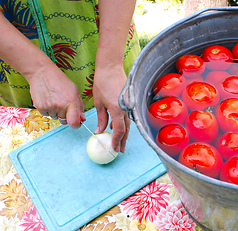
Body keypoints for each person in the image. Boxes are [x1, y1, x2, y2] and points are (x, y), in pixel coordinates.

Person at [0, 0, 141, 153]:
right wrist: (35, 70)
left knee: (128, 114)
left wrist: (111, 64)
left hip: (110, 35)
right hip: (11, 59)